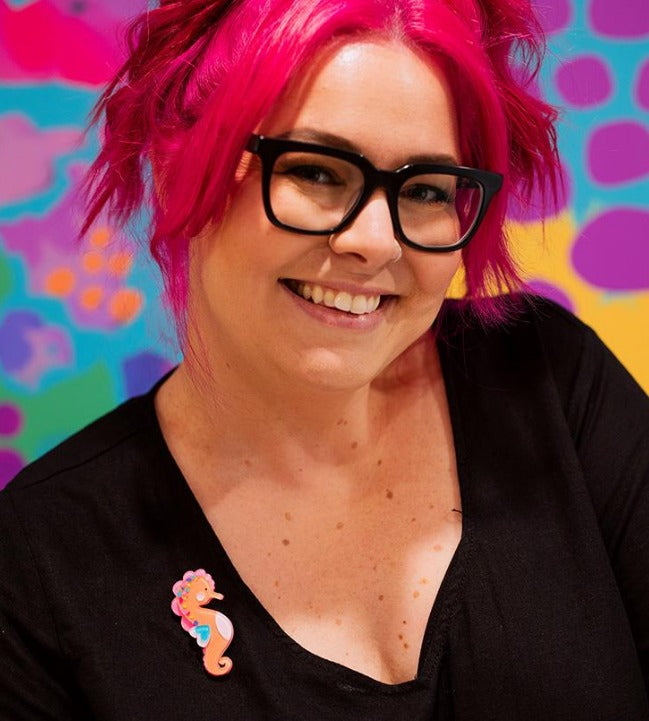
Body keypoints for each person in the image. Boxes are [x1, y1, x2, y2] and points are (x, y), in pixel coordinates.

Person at [1, 0, 648, 718]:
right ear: (176, 166)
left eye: (426, 189)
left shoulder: (550, 381)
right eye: (315, 171)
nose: (374, 242)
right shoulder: (38, 560)